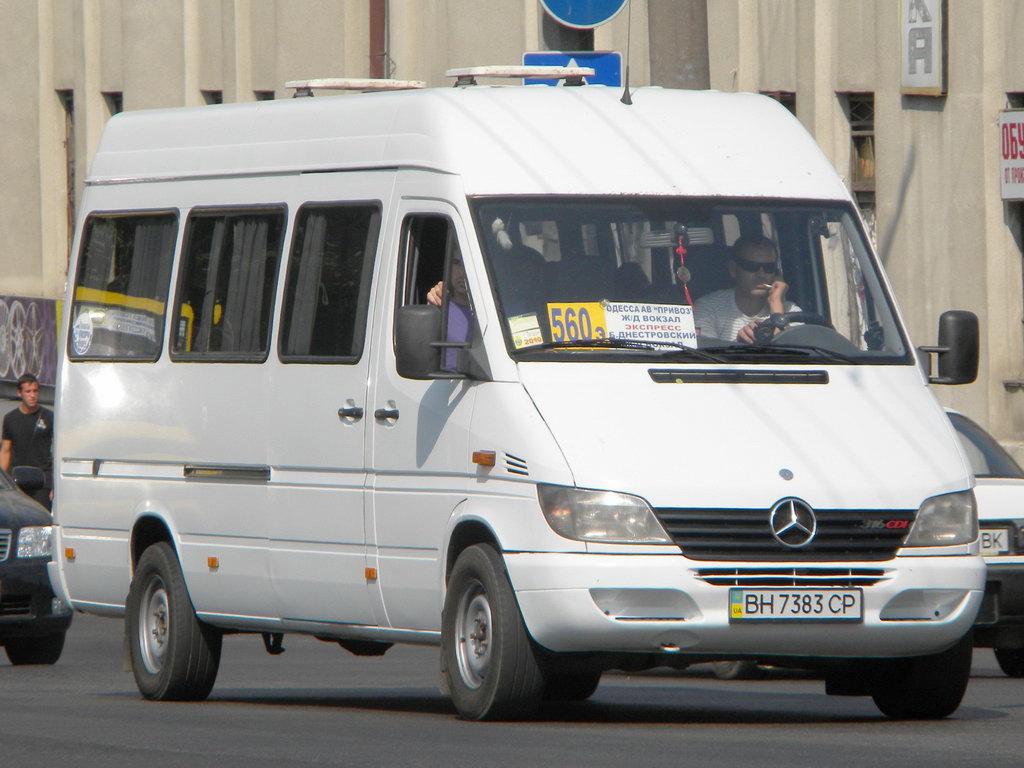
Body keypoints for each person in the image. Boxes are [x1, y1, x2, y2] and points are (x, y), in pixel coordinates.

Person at [693, 235, 800, 343]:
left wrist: (776, 305)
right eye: (751, 266)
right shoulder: (708, 307)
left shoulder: (791, 312)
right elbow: (705, 355)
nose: (761, 274)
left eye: (769, 267)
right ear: (734, 269)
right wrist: (740, 344)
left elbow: (796, 355)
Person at [1, 373, 54, 509]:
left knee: (39, 521)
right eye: (28, 391)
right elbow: (5, 450)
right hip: (17, 481)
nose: (32, 395)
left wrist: (55, 484)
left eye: (35, 391)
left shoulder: (49, 417)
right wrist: (3, 480)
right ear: (19, 393)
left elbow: (59, 448)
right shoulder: (10, 418)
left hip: (42, 482)